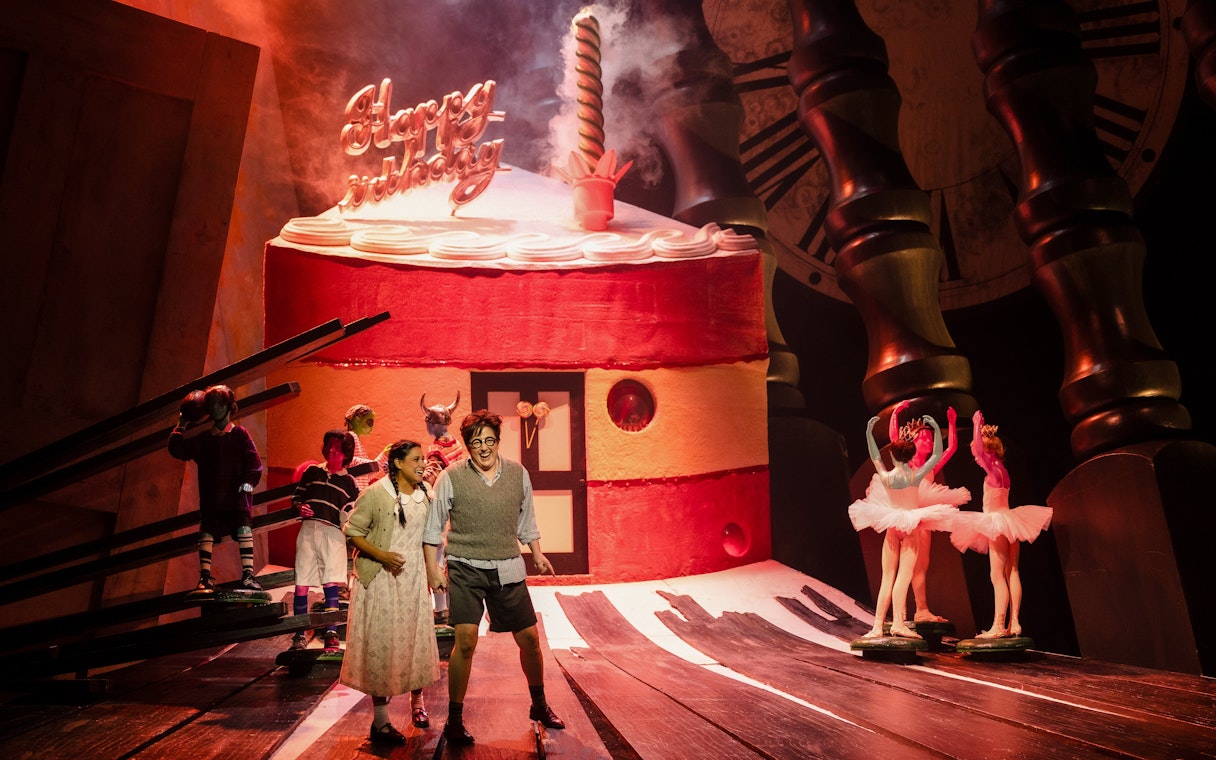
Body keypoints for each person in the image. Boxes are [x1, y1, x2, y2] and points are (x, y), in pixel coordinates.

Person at [423, 410, 563, 746]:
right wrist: (432, 569)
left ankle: (539, 705)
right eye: (476, 442)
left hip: (507, 564)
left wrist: (538, 554)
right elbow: (432, 528)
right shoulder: (452, 477)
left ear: (498, 441)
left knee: (529, 639)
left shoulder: (517, 474)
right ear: (468, 446)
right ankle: (454, 720)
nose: (483, 447)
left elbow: (526, 519)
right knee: (466, 640)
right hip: (465, 566)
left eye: (489, 440)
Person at [340, 439, 440, 746]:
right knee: (382, 645)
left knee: (415, 641)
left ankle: (418, 706)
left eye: (423, 459)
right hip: (382, 581)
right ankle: (380, 722)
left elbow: (429, 538)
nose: (423, 464)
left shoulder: (426, 494)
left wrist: (432, 571)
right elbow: (352, 532)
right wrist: (382, 556)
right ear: (397, 463)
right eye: (415, 460)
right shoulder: (375, 494)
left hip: (412, 580)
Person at [848, 414, 959, 638]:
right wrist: (937, 429)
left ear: (892, 453)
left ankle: (877, 626)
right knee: (903, 576)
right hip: (909, 527)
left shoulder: (887, 476)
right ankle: (898, 623)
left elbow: (875, 456)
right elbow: (937, 454)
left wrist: (869, 433)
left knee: (887, 577)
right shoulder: (915, 476)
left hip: (892, 526)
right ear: (911, 455)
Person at [951, 410, 1054, 638]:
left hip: (997, 522)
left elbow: (977, 450)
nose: (976, 457)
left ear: (988, 452)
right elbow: (978, 451)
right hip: (1010, 521)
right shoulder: (1002, 470)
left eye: (979, 454)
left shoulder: (992, 471)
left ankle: (999, 625)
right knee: (1013, 571)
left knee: (996, 576)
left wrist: (977, 426)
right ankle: (1014, 622)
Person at [168, 384, 263, 593]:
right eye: (210, 404)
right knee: (207, 533)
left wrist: (249, 480)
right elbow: (178, 449)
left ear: (228, 406)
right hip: (213, 499)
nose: (214, 409)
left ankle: (248, 574)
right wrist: (180, 425)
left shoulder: (240, 434)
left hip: (236, 497)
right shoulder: (205, 440)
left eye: (218, 404)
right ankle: (205, 576)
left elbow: (254, 462)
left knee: (243, 528)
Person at [888, 402, 970, 624]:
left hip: (924, 515)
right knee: (898, 566)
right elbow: (894, 438)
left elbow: (951, 448)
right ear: (914, 441)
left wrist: (952, 423)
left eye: (932, 439)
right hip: (905, 514)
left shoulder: (930, 467)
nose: (930, 442)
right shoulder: (907, 463)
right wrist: (895, 413)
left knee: (921, 563)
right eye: (926, 438)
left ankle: (921, 609)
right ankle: (898, 613)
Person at [290, 429, 360, 650]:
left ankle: (331, 632)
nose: (332, 451)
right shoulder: (312, 472)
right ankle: (299, 634)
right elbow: (296, 497)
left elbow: (354, 512)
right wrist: (300, 507)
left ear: (346, 454)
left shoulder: (349, 483)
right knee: (301, 584)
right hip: (309, 531)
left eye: (338, 449)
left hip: (333, 534)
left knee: (331, 584)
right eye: (329, 446)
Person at [421, 392, 467, 627]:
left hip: (438, 506)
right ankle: (450, 607)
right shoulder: (458, 444)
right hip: (457, 505)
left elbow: (431, 477)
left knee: (435, 556)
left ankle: (441, 609)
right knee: (451, 558)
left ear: (432, 423)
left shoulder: (436, 448)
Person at [345, 404, 388, 491]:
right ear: (357, 420)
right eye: (370, 422)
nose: (372, 426)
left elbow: (365, 475)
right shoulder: (352, 437)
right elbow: (356, 470)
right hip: (355, 492)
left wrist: (384, 456)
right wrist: (384, 456)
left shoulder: (354, 439)